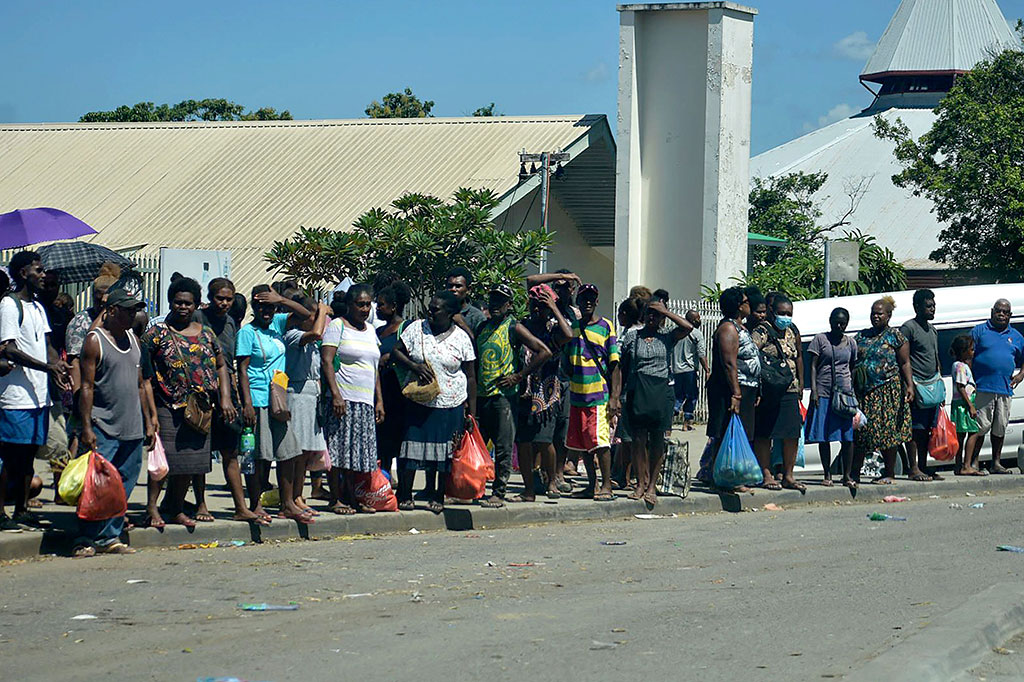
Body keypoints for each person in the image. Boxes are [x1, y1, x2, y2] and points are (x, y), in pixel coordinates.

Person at [141, 277, 234, 527]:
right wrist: (149, 413)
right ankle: (152, 509)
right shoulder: (156, 333)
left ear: (196, 305)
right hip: (167, 406)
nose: (183, 307)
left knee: (189, 463)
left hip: (200, 409)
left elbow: (221, 364)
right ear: (171, 302)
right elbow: (144, 374)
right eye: (178, 302)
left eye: (188, 303)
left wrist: (225, 398)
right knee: (162, 462)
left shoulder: (206, 333)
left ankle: (175, 508)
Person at [75, 289, 154, 556]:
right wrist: (86, 427)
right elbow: (86, 387)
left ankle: (111, 536)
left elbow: (141, 385)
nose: (132, 315)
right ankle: (86, 539)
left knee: (123, 485)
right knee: (95, 486)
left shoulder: (134, 340)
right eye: (127, 310)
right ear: (111, 311)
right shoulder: (94, 341)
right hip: (103, 427)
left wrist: (149, 421)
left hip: (132, 427)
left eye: (134, 310)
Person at [0, 251, 70, 530]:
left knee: (28, 458)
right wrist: (46, 368)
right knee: (11, 457)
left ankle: (22, 510)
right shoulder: (9, 305)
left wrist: (59, 366)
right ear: (22, 273)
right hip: (15, 397)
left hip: (39, 396)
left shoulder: (38, 308)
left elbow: (48, 345)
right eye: (38, 270)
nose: (43, 275)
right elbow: (9, 349)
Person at [391, 290, 476, 513]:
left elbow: (470, 375)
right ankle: (405, 495)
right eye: (430, 307)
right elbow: (396, 353)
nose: (430, 312)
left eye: (436, 309)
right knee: (410, 449)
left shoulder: (461, 338)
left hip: (451, 403)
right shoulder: (416, 329)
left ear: (449, 313)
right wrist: (414, 366)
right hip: (420, 401)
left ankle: (438, 496)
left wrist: (471, 412)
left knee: (444, 455)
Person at [236, 285, 314, 523]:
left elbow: (307, 315)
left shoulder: (278, 325)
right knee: (260, 456)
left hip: (279, 400)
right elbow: (242, 369)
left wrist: (281, 299)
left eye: (269, 306)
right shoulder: (248, 332)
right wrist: (247, 403)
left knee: (288, 452)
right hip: (258, 399)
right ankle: (255, 503)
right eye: (261, 306)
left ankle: (288, 502)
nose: (266, 310)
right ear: (253, 307)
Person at [193, 278, 266, 525]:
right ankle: (200, 503)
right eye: (219, 298)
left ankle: (240, 507)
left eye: (228, 299)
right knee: (201, 452)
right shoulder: (197, 318)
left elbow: (233, 366)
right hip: (200, 393)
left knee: (231, 451)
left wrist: (238, 399)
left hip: (227, 395)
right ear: (210, 297)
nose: (224, 303)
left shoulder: (231, 324)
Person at [474, 284, 551, 506]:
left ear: (509, 305)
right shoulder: (482, 327)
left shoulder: (513, 327)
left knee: (503, 446)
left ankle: (498, 492)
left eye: (501, 301)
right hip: (482, 394)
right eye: (493, 300)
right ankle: (473, 488)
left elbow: (543, 351)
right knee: (478, 445)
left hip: (504, 396)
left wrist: (519, 376)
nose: (495, 305)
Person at [619, 299, 693, 506]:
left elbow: (687, 327)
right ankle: (640, 483)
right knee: (638, 439)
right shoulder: (633, 337)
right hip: (638, 390)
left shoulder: (667, 337)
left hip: (662, 391)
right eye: (649, 313)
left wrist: (666, 312)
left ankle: (652, 485)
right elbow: (622, 367)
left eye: (656, 314)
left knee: (657, 439)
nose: (653, 317)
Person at [320, 284, 386, 514]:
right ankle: (336, 498)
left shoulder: (370, 330)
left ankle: (353, 497)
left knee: (356, 454)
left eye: (368, 304)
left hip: (365, 401)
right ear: (349, 305)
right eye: (360, 304)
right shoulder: (337, 326)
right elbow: (327, 361)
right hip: (343, 400)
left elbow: (374, 367)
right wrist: (336, 395)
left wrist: (379, 400)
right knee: (338, 452)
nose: (365, 309)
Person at [564, 284, 621, 502]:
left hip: (598, 395)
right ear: (578, 302)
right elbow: (568, 358)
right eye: (583, 298)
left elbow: (615, 364)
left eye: (591, 298)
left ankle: (607, 485)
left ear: (597, 301)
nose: (587, 302)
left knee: (600, 442)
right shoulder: (573, 328)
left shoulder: (606, 326)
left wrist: (614, 397)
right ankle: (592, 485)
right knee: (584, 444)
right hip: (577, 394)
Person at [526, 268, 582, 488]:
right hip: (543, 376)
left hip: (566, 375)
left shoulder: (574, 313)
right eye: (559, 286)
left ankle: (558, 473)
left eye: (568, 286)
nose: (564, 289)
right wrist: (562, 277)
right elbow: (531, 279)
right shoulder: (542, 308)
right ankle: (542, 474)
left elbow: (570, 336)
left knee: (562, 429)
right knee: (541, 431)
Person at [516, 283, 573, 501]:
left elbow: (568, 334)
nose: (537, 310)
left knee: (544, 441)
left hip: (547, 393)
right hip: (524, 389)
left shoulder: (553, 328)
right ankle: (528, 488)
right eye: (534, 305)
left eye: (542, 306)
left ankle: (551, 480)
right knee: (523, 441)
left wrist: (554, 308)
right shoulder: (523, 326)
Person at [851, 297, 914, 485]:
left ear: (888, 315)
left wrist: (910, 385)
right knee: (862, 431)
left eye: (880, 313)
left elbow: (905, 363)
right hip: (865, 393)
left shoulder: (896, 336)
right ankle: (854, 473)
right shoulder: (861, 336)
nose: (876, 316)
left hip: (889, 390)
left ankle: (889, 473)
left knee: (889, 432)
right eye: (873, 313)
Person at [701, 287, 759, 490]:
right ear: (737, 306)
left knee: (741, 433)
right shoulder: (727, 328)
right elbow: (729, 363)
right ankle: (719, 477)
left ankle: (736, 475)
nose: (748, 304)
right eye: (745, 301)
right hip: (729, 390)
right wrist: (736, 392)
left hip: (746, 388)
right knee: (725, 431)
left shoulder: (741, 327)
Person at [751, 294, 805, 492]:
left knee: (792, 433)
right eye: (782, 313)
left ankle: (789, 476)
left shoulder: (792, 330)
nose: (785, 317)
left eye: (789, 313)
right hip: (769, 389)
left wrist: (801, 384)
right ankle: (767, 475)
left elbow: (799, 356)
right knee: (765, 433)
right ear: (773, 312)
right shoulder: (763, 331)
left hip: (789, 388)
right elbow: (750, 353)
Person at [283, 294, 329, 515]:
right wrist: (321, 310)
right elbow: (317, 332)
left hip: (311, 394)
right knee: (296, 451)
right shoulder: (293, 335)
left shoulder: (311, 342)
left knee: (306, 452)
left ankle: (299, 495)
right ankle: (291, 496)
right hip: (297, 393)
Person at [970, 298, 1024, 474]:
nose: (1001, 314)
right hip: (982, 388)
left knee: (1000, 427)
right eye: (998, 311)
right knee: (980, 427)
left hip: (1005, 389)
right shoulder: (979, 331)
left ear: (1010, 315)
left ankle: (996, 463)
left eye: (1005, 312)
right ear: (992, 311)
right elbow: (965, 354)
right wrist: (969, 379)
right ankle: (974, 462)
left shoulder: (1016, 337)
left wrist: (1020, 376)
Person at [805, 307, 857, 489]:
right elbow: (812, 366)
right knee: (824, 436)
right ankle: (827, 473)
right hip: (824, 392)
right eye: (836, 322)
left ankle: (847, 475)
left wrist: (852, 393)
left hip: (844, 395)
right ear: (830, 321)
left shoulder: (851, 343)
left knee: (848, 437)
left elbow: (852, 367)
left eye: (843, 323)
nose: (839, 325)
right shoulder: (820, 340)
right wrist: (814, 391)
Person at [900, 289, 944, 481]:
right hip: (915, 388)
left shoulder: (932, 330)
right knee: (914, 430)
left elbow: (935, 359)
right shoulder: (908, 328)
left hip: (932, 388)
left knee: (927, 430)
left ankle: (924, 467)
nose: (932, 309)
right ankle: (914, 468)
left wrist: (940, 386)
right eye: (928, 306)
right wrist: (909, 386)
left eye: (933, 305)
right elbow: (903, 359)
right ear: (917, 307)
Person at [375, 282, 412, 477]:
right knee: (384, 441)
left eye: (381, 304)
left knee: (401, 438)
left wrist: (390, 356)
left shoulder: (407, 328)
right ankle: (384, 480)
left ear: (394, 306)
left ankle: (403, 484)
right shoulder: (378, 331)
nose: (377, 308)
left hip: (401, 392)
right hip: (382, 391)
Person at [66, 263, 120, 392]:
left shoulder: (122, 320)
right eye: (98, 300)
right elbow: (75, 363)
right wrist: (78, 396)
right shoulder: (81, 322)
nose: (101, 305)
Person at [949, 335, 984, 476]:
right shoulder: (960, 367)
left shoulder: (960, 365)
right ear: (963, 351)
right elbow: (961, 386)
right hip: (964, 404)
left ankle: (958, 466)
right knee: (974, 432)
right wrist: (970, 405)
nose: (973, 352)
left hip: (961, 404)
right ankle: (967, 465)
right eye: (971, 349)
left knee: (960, 435)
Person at [672, 309, 710, 430]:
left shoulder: (676, 332)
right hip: (689, 370)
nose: (700, 320)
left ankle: (673, 411)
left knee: (678, 395)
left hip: (675, 370)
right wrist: (707, 370)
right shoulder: (696, 333)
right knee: (692, 395)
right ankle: (686, 423)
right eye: (698, 318)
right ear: (693, 320)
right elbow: (701, 354)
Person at [446, 266, 486, 334]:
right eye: (450, 286)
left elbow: (479, 343)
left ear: (468, 289)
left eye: (458, 286)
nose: (453, 289)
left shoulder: (477, 317)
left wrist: (461, 324)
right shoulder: (439, 311)